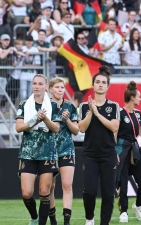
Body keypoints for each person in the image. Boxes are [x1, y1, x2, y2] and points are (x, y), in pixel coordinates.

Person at [15, 74, 61, 225]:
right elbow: (19, 127)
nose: (37, 86)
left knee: (44, 191)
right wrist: (35, 119)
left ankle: (41, 222)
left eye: (40, 84)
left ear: (46, 87)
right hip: (28, 152)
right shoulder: (24, 104)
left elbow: (56, 128)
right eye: (34, 83)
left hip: (47, 152)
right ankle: (34, 217)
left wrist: (45, 119)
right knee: (26, 193)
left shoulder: (53, 105)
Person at [78, 66, 120, 225]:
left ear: (107, 86)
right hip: (90, 155)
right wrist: (90, 111)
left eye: (103, 82)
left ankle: (104, 223)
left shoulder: (114, 106)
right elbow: (81, 128)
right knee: (89, 191)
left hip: (108, 154)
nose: (100, 85)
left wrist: (97, 113)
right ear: (93, 85)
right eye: (97, 82)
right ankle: (90, 219)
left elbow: (114, 127)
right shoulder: (84, 106)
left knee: (109, 194)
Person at [116, 81, 141, 223]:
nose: (140, 99)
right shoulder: (119, 113)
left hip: (136, 150)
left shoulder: (138, 113)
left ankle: (138, 205)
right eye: (139, 96)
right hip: (122, 150)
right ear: (132, 98)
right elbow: (114, 133)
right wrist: (115, 152)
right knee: (123, 183)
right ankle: (123, 211)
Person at [48, 77, 79, 225]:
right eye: (57, 87)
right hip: (49, 150)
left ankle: (67, 221)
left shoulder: (70, 106)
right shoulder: (45, 105)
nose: (60, 90)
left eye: (62, 87)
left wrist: (67, 120)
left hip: (67, 149)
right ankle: (53, 219)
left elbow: (76, 131)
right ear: (50, 89)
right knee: (50, 186)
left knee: (67, 185)